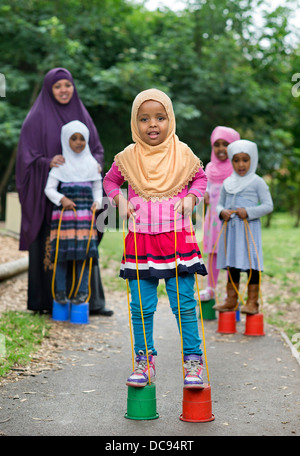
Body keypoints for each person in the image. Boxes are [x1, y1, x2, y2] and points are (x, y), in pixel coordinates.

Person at [103, 88, 208, 389]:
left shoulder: (183, 152)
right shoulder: (127, 157)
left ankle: (193, 363)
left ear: (170, 119)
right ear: (135, 123)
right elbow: (110, 181)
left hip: (179, 240)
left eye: (160, 117)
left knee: (184, 305)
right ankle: (143, 361)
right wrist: (120, 201)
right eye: (145, 118)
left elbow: (199, 178)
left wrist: (191, 198)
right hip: (140, 242)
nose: (153, 124)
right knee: (140, 307)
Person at [16, 67, 112, 315]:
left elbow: (96, 148)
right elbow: (26, 158)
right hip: (51, 199)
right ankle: (47, 302)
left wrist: (96, 164)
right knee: (55, 249)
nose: (63, 90)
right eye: (57, 86)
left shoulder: (82, 114)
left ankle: (90, 301)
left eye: (67, 85)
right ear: (49, 89)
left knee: (83, 246)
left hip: (82, 202)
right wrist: (46, 162)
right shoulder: (35, 118)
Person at [44, 120, 102, 305]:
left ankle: (82, 292)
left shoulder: (92, 164)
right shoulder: (61, 164)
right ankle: (60, 292)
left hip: (85, 217)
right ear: (65, 140)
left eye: (82, 139)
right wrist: (62, 199)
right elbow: (49, 189)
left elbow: (98, 188)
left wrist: (98, 202)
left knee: (83, 255)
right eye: (73, 138)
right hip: (65, 217)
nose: (78, 142)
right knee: (62, 254)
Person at [213, 139, 273, 314]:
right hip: (231, 231)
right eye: (236, 160)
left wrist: (248, 211)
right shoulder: (228, 182)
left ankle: (252, 302)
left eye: (245, 160)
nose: (240, 164)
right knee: (232, 263)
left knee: (251, 264)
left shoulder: (257, 182)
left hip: (249, 231)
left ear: (252, 159)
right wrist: (221, 211)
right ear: (231, 161)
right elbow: (219, 204)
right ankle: (231, 300)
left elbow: (268, 206)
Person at [201, 126, 240, 301]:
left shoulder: (237, 167)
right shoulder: (209, 167)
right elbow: (205, 188)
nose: (221, 148)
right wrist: (205, 194)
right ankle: (210, 288)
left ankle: (230, 290)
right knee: (212, 253)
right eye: (217, 144)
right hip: (213, 219)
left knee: (230, 253)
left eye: (226, 144)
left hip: (231, 218)